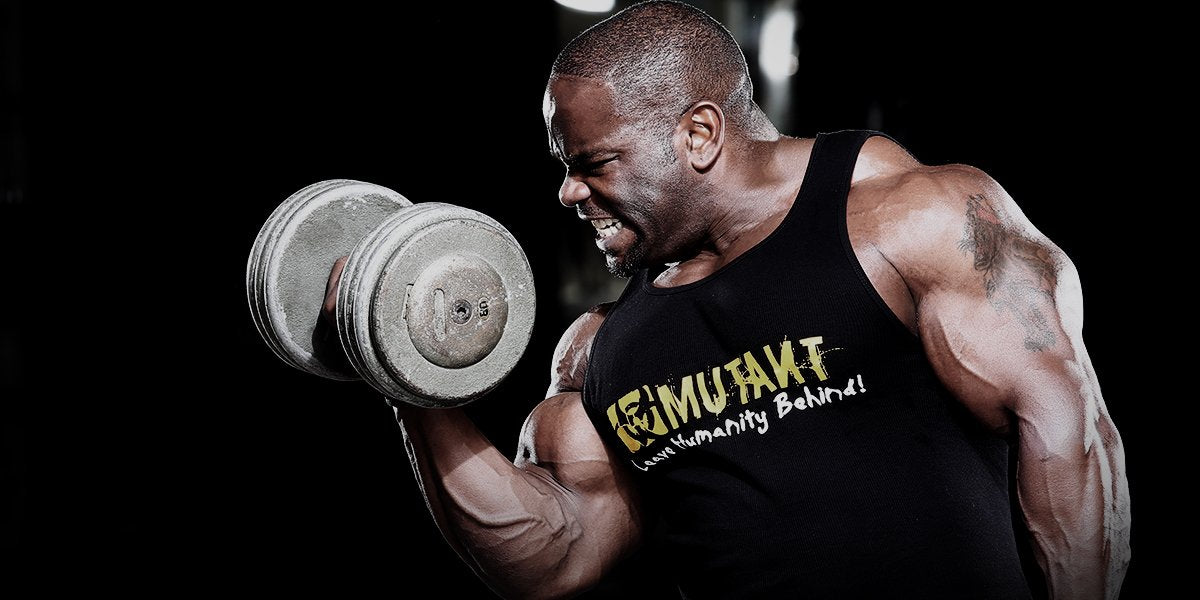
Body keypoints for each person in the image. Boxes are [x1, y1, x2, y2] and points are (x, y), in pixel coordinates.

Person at [322, 2, 1129, 598]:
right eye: (564, 164)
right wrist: (400, 369)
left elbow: (1069, 441)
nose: (568, 192)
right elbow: (553, 554)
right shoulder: (602, 349)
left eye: (593, 161)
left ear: (700, 135)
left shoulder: (914, 220)